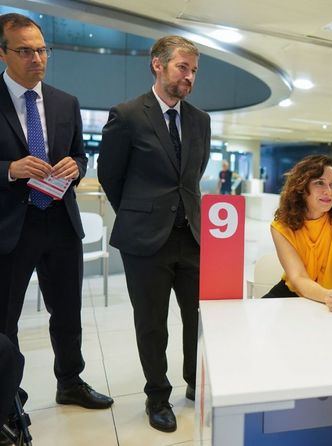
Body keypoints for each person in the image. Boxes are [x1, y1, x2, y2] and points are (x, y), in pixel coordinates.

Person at [98, 35, 211, 432]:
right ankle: (157, 397)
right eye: (183, 67)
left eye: (194, 70)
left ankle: (196, 383)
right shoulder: (127, 115)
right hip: (145, 241)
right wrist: (140, 211)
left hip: (191, 237)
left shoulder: (200, 120)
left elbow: (193, 175)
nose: (190, 77)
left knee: (198, 319)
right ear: (157, 65)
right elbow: (110, 175)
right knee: (152, 322)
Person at [0, 13, 113, 410]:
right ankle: (7, 397)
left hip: (61, 222)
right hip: (11, 226)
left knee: (67, 312)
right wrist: (10, 169)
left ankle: (70, 382)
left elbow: (81, 155)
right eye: (25, 51)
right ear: (3, 53)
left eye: (42, 49)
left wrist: (76, 167)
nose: (37, 59)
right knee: (5, 319)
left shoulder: (66, 102)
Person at [265, 155, 332, 312]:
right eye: (319, 183)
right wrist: (326, 296)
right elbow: (298, 278)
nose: (328, 191)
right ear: (302, 188)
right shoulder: (281, 227)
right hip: (294, 294)